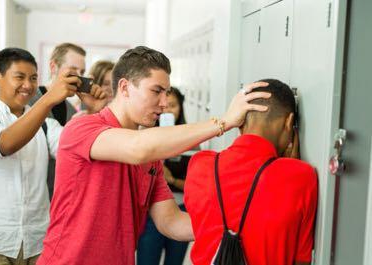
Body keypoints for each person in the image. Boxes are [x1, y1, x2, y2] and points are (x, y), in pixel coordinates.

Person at [37, 45, 271, 265]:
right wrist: (225, 122)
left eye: (167, 92)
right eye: (156, 91)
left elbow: (171, 222)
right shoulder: (82, 129)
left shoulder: (151, 158)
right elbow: (137, 148)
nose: (164, 103)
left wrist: (237, 224)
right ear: (125, 87)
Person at [0, 47, 103, 265]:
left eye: (33, 78)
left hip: (35, 242)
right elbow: (4, 144)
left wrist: (97, 112)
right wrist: (48, 99)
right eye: (19, 77)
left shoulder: (46, 126)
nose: (28, 85)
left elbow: (80, 150)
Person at [184, 79, 318, 265]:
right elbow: (301, 260)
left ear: (239, 122)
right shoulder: (302, 176)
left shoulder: (200, 165)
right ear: (289, 122)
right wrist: (289, 166)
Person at [30, 43, 109, 198]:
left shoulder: (72, 111)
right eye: (73, 71)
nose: (79, 77)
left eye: (82, 72)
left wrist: (94, 111)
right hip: (32, 195)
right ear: (53, 67)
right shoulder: (30, 101)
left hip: (59, 195)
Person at [137, 87, 192, 265]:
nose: (167, 110)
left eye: (173, 106)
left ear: (181, 108)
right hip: (150, 212)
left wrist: (172, 180)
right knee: (147, 260)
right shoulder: (144, 139)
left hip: (181, 208)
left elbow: (193, 187)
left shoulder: (191, 143)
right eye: (164, 106)